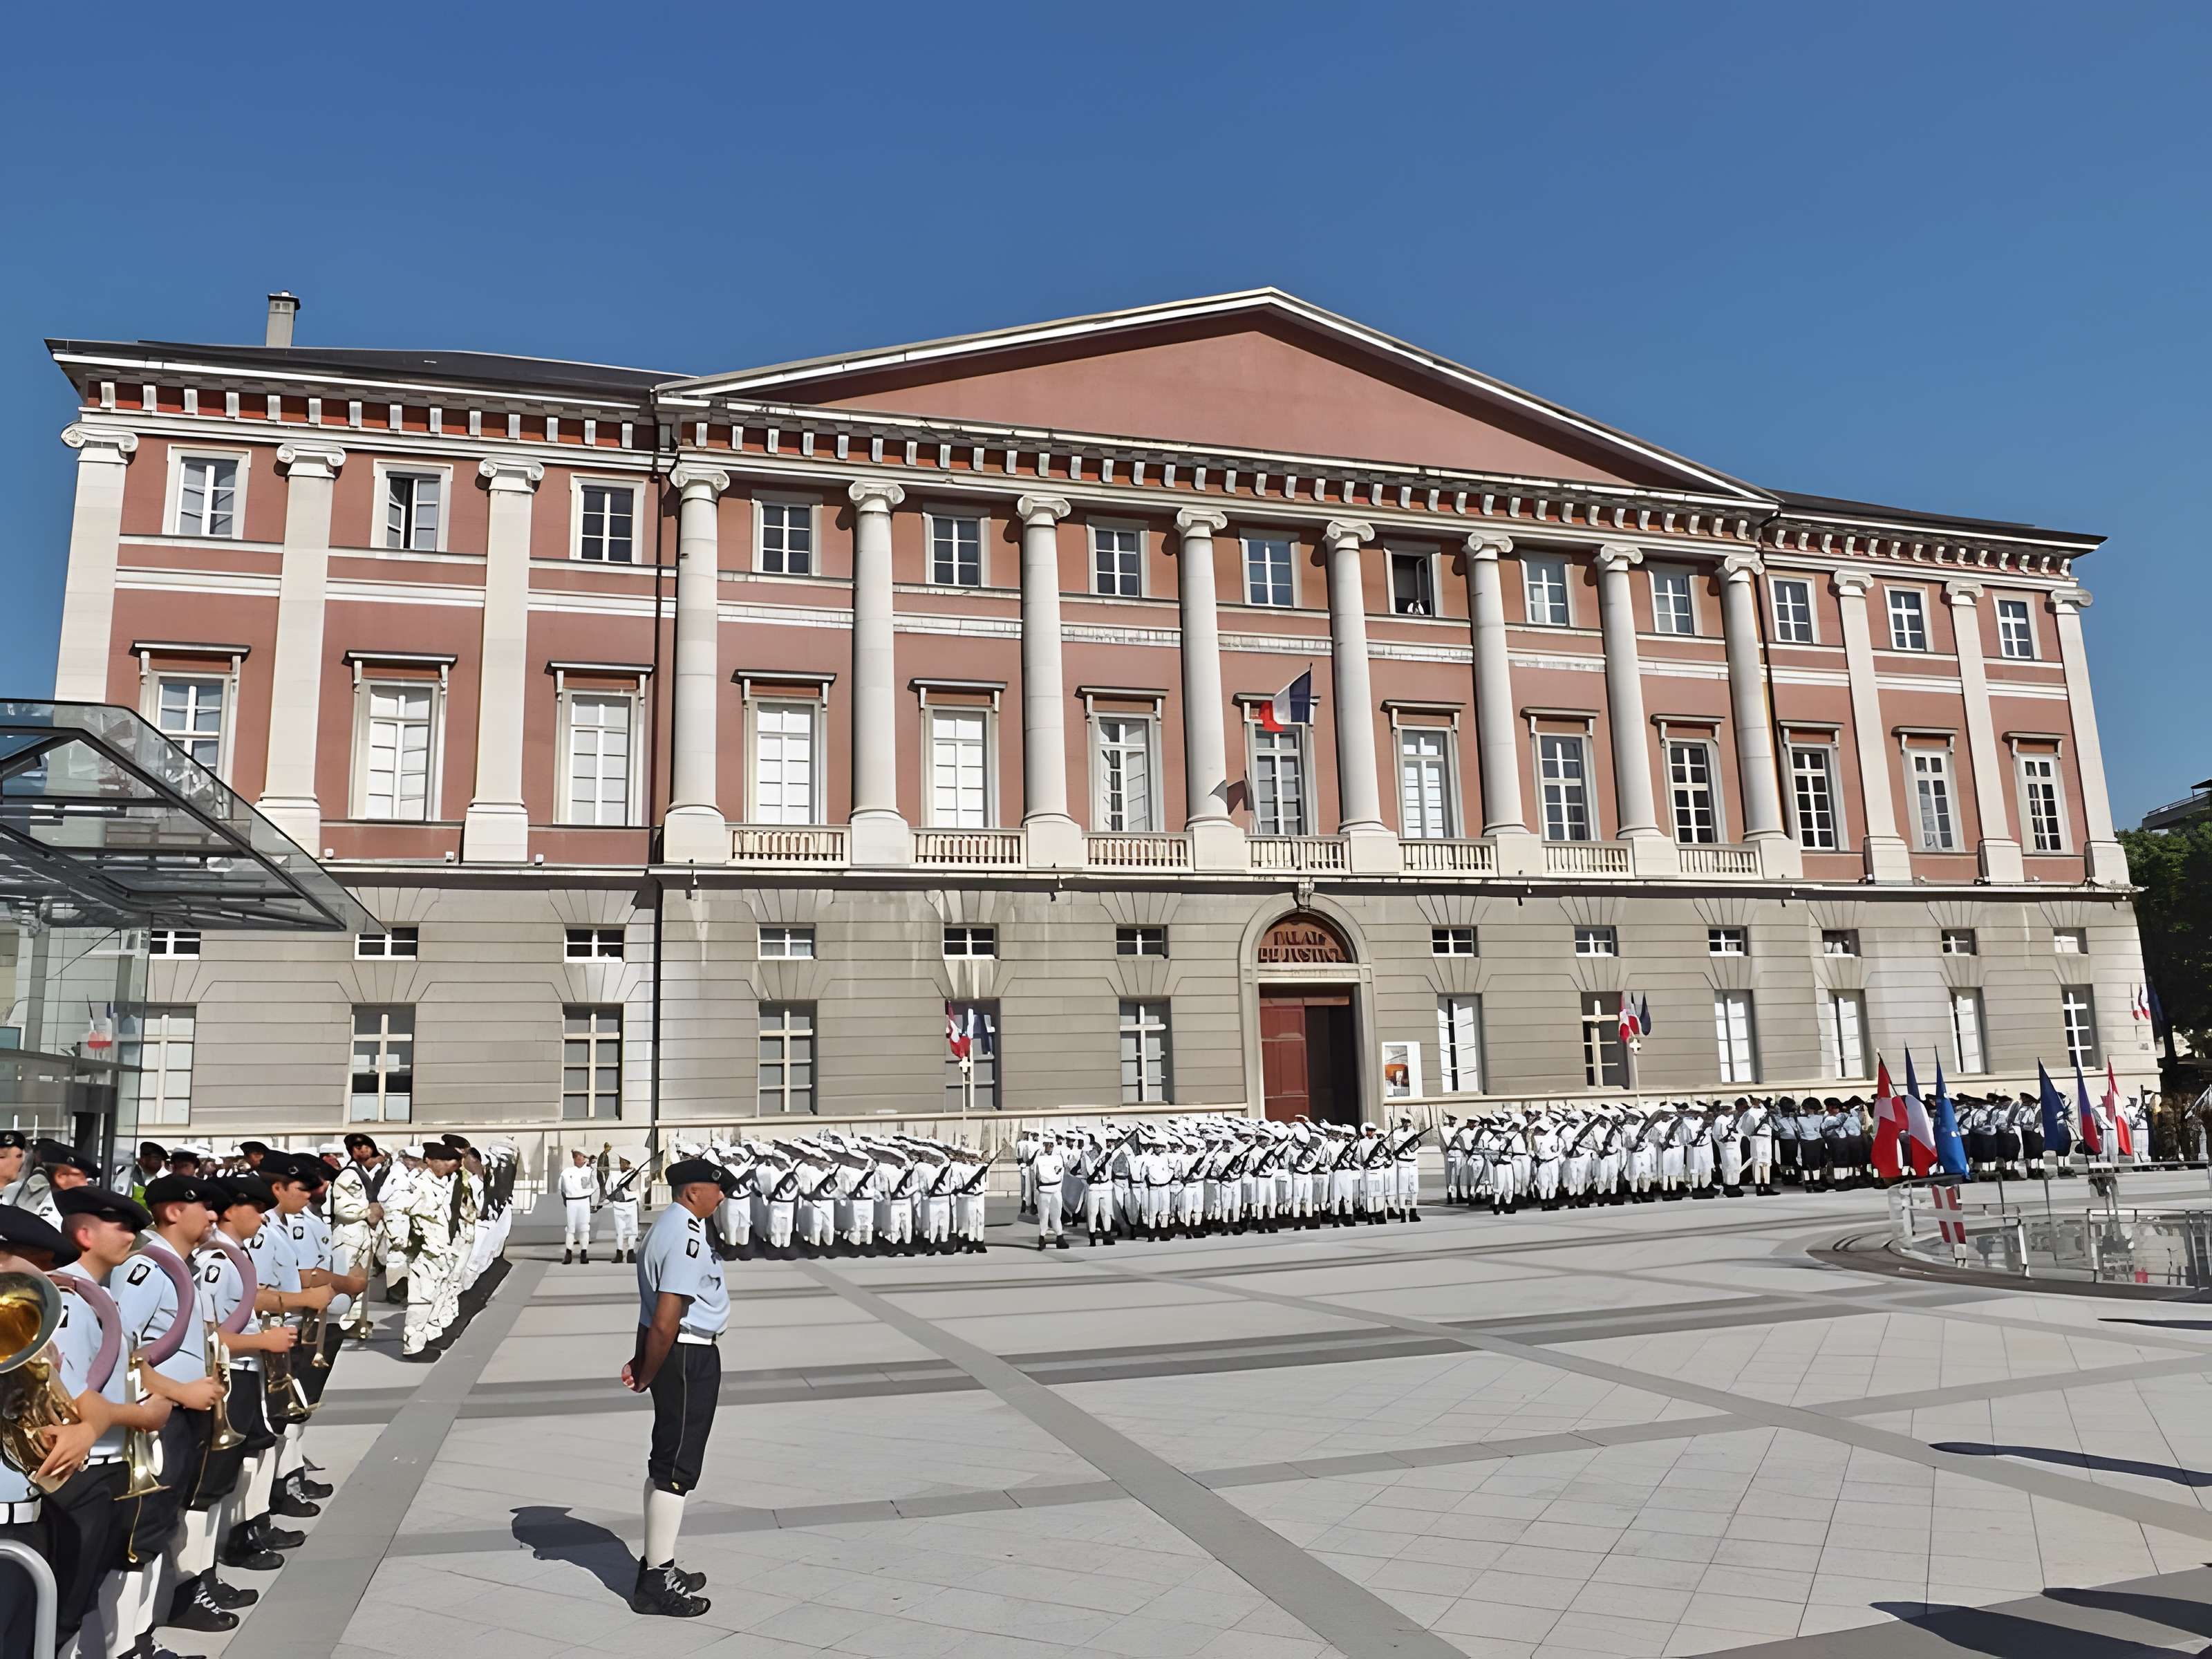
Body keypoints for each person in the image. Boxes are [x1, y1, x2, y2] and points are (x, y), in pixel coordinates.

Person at [52, 1188, 178, 1659]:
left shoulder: (100, 1293)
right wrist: (144, 1414)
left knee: (83, 1594)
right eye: (121, 1226)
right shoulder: (66, 1296)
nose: (132, 1236)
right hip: (82, 1467)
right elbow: (64, 1395)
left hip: (107, 1458)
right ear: (84, 1234)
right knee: (61, 1606)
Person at [622, 1159, 728, 1619]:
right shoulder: (685, 1237)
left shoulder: (671, 1225)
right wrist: (647, 1369)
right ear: (691, 1193)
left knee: (666, 1458)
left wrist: (643, 1358)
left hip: (676, 1354)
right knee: (677, 1469)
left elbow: (650, 1314)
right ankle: (655, 1583)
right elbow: (666, 1316)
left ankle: (656, 1562)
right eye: (716, 1190)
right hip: (687, 1356)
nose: (721, 1198)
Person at [557, 1149, 597, 1265]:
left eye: (581, 1156)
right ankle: (568, 1253)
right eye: (576, 1156)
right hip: (571, 1201)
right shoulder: (566, 1172)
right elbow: (563, 1189)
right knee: (571, 1228)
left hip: (584, 1200)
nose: (579, 1158)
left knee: (585, 1227)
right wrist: (566, 1201)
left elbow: (595, 1187)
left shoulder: (590, 1171)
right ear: (574, 1158)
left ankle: (584, 1253)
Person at [603, 1154, 644, 1264]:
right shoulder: (624, 1174)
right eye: (623, 1162)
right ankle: (624, 1252)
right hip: (624, 1204)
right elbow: (608, 1187)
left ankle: (626, 1253)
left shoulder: (630, 1174)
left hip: (625, 1204)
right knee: (625, 1230)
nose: (624, 1164)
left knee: (627, 1230)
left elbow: (634, 1188)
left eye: (625, 1162)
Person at [1032, 1132, 1068, 1250]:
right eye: (1046, 1144)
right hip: (1044, 1191)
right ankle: (1042, 1238)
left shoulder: (1058, 1158)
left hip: (1056, 1191)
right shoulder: (1039, 1159)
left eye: (1049, 1145)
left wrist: (1059, 1189)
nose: (1047, 1147)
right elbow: (1036, 1177)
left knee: (1057, 1216)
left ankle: (1060, 1237)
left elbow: (1061, 1175)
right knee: (1044, 1216)